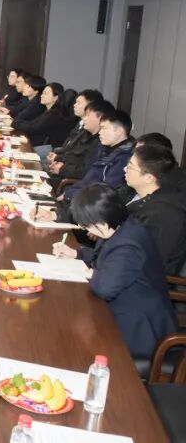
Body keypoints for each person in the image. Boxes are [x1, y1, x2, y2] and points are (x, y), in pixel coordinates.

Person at [52, 184, 176, 360]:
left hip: (138, 328)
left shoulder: (128, 244)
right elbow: (104, 258)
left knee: (73, 345)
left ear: (102, 224)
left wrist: (92, 274)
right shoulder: (121, 226)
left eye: (86, 225)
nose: (85, 228)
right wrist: (76, 254)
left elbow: (105, 288)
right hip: (119, 309)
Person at [122, 144, 186, 275]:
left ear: (149, 178)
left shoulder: (166, 214)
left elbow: (151, 263)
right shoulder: (147, 201)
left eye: (130, 167)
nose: (124, 169)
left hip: (140, 279)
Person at [62, 108, 135, 203]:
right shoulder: (103, 148)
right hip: (80, 197)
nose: (100, 132)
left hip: (92, 204)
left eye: (104, 128)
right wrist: (69, 193)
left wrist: (69, 195)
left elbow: (105, 191)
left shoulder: (124, 158)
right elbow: (88, 179)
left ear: (119, 131)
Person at [48, 98, 108, 189]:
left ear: (100, 119)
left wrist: (62, 168)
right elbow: (73, 154)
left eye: (88, 115)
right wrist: (59, 161)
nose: (84, 118)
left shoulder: (99, 143)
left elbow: (86, 171)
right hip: (65, 170)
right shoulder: (87, 134)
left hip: (73, 183)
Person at [46, 89, 102, 174]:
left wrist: (60, 163)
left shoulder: (94, 136)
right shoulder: (81, 124)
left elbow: (80, 160)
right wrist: (57, 157)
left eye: (79, 103)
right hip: (63, 160)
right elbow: (68, 148)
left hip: (68, 171)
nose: (74, 105)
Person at [13, 82, 75, 149]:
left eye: (45, 93)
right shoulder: (48, 110)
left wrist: (15, 123)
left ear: (55, 97)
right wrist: (17, 122)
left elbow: (33, 128)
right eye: (42, 93)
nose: (42, 96)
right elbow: (33, 123)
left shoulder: (54, 113)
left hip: (51, 148)